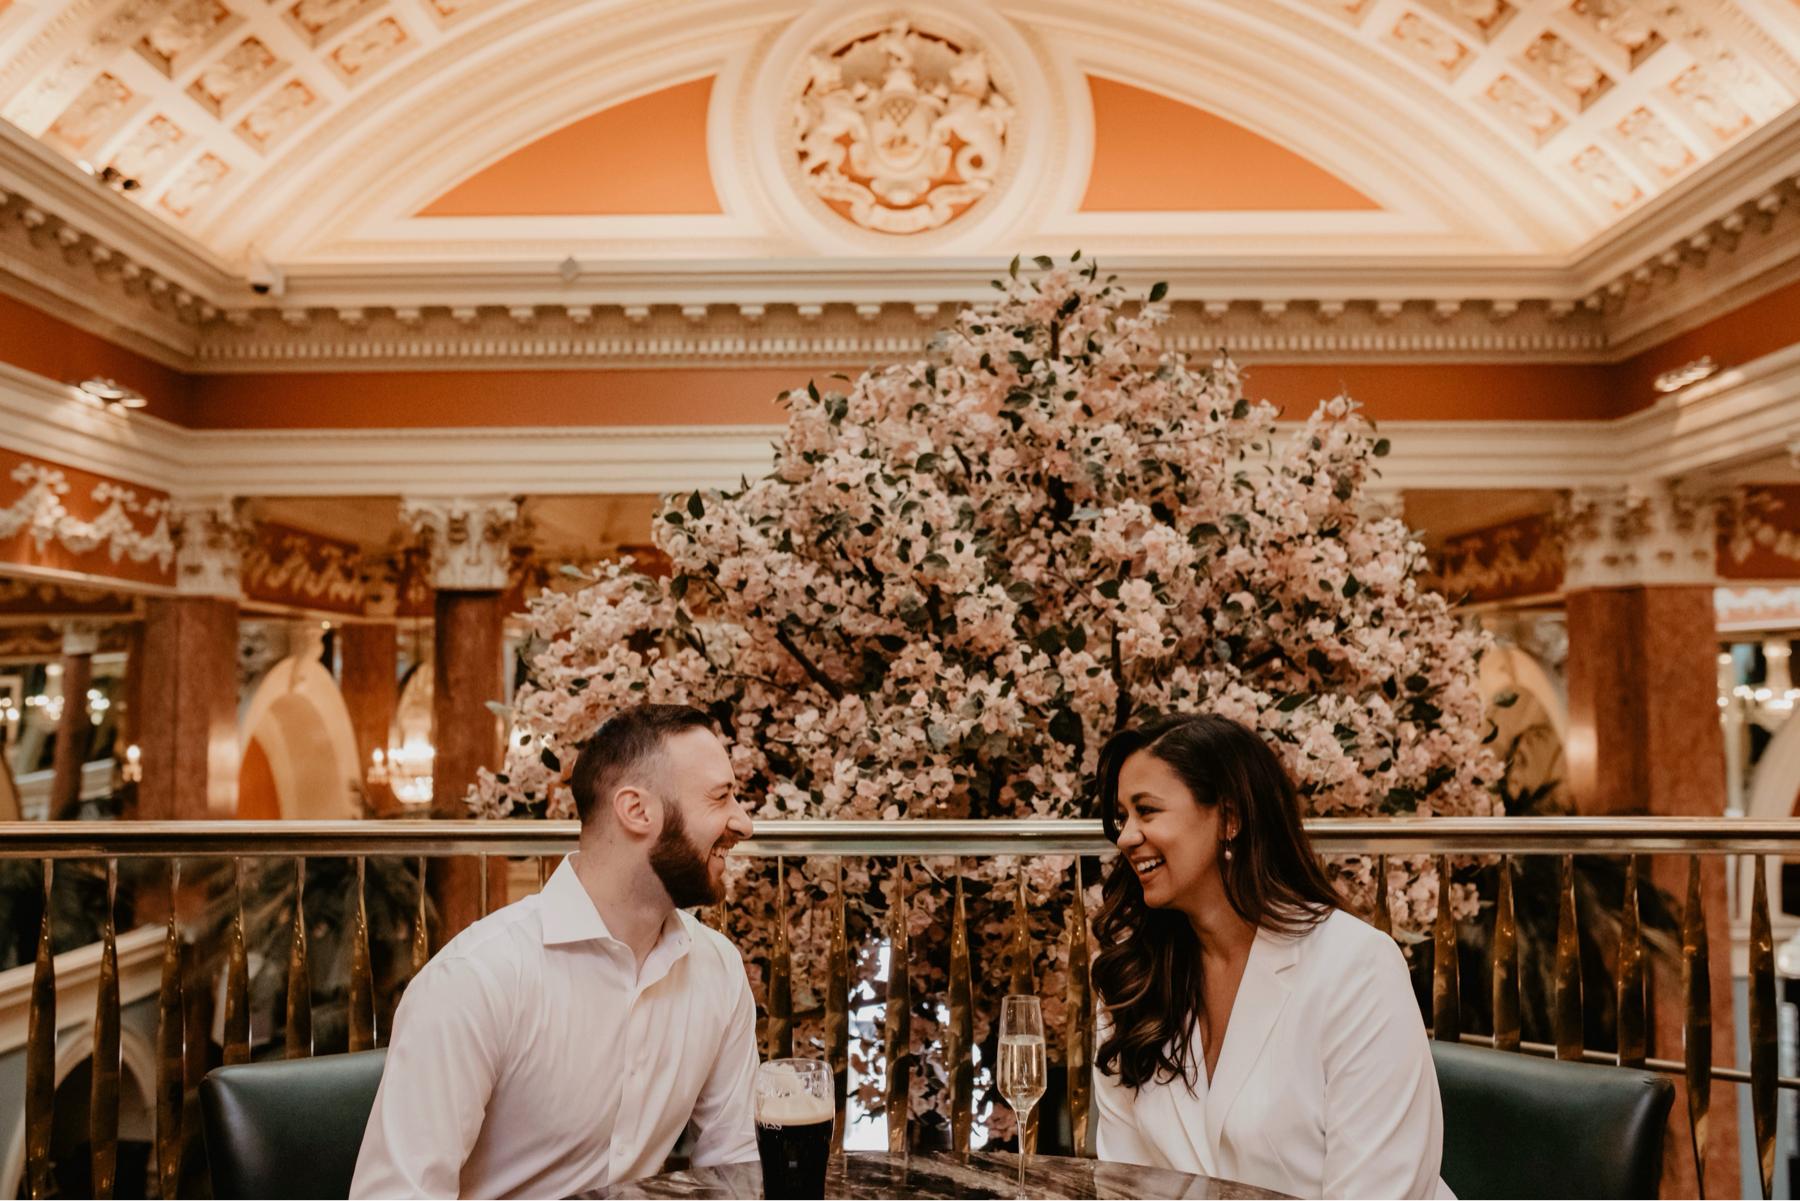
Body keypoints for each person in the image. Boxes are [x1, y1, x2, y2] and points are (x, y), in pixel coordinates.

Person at [351, 703, 759, 1199]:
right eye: (721, 798)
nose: (744, 823)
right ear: (636, 811)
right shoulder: (476, 980)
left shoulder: (718, 968)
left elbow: (736, 1173)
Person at [1090, 713, 1450, 1199]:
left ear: (1231, 818)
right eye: (1122, 817)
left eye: (1147, 811)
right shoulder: (1132, 979)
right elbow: (1124, 1187)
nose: (1127, 836)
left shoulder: (1356, 968)